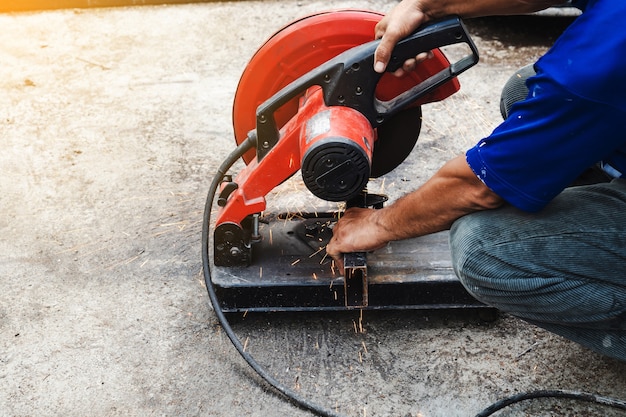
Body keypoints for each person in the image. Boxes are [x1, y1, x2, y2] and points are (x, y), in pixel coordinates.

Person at [326, 0, 626, 361]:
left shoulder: (599, 67)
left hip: (607, 72)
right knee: (523, 91)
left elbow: (477, 188)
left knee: (482, 251)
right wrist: (427, 7)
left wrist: (379, 224)